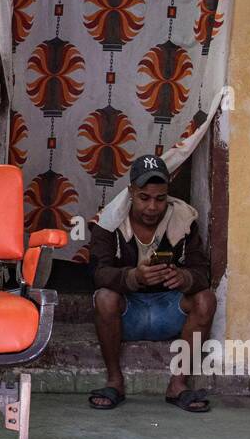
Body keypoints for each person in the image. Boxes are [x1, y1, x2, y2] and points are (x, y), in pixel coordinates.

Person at [86, 155, 217, 412]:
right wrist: (133, 277)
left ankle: (178, 384)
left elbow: (202, 270)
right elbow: (98, 273)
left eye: (160, 199)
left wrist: (185, 277)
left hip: (168, 310)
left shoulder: (183, 219)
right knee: (104, 297)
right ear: (131, 192)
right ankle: (115, 381)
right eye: (144, 197)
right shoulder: (108, 222)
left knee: (206, 299)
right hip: (129, 314)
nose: (152, 207)